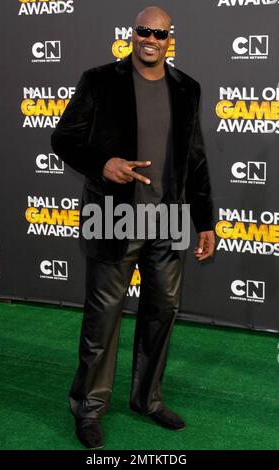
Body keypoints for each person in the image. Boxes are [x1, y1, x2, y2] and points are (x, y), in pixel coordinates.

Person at [51, 5, 215, 450]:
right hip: (112, 217)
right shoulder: (100, 80)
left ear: (169, 39)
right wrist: (102, 163)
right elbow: (63, 137)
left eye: (159, 34)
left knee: (162, 313)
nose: (150, 39)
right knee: (102, 321)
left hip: (170, 221)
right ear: (132, 34)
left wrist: (205, 221)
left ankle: (148, 399)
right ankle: (88, 408)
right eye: (143, 31)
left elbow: (194, 158)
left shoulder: (188, 89)